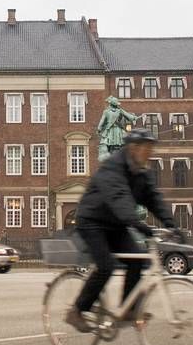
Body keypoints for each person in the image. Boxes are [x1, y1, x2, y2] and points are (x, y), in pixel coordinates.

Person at [66, 128, 179, 332]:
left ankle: (128, 309)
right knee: (106, 266)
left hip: (115, 224)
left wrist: (171, 224)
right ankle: (77, 310)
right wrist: (138, 224)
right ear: (133, 148)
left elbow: (153, 197)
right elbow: (119, 197)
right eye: (146, 148)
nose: (149, 153)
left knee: (138, 259)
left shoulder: (142, 171)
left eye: (151, 149)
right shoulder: (113, 167)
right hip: (92, 221)